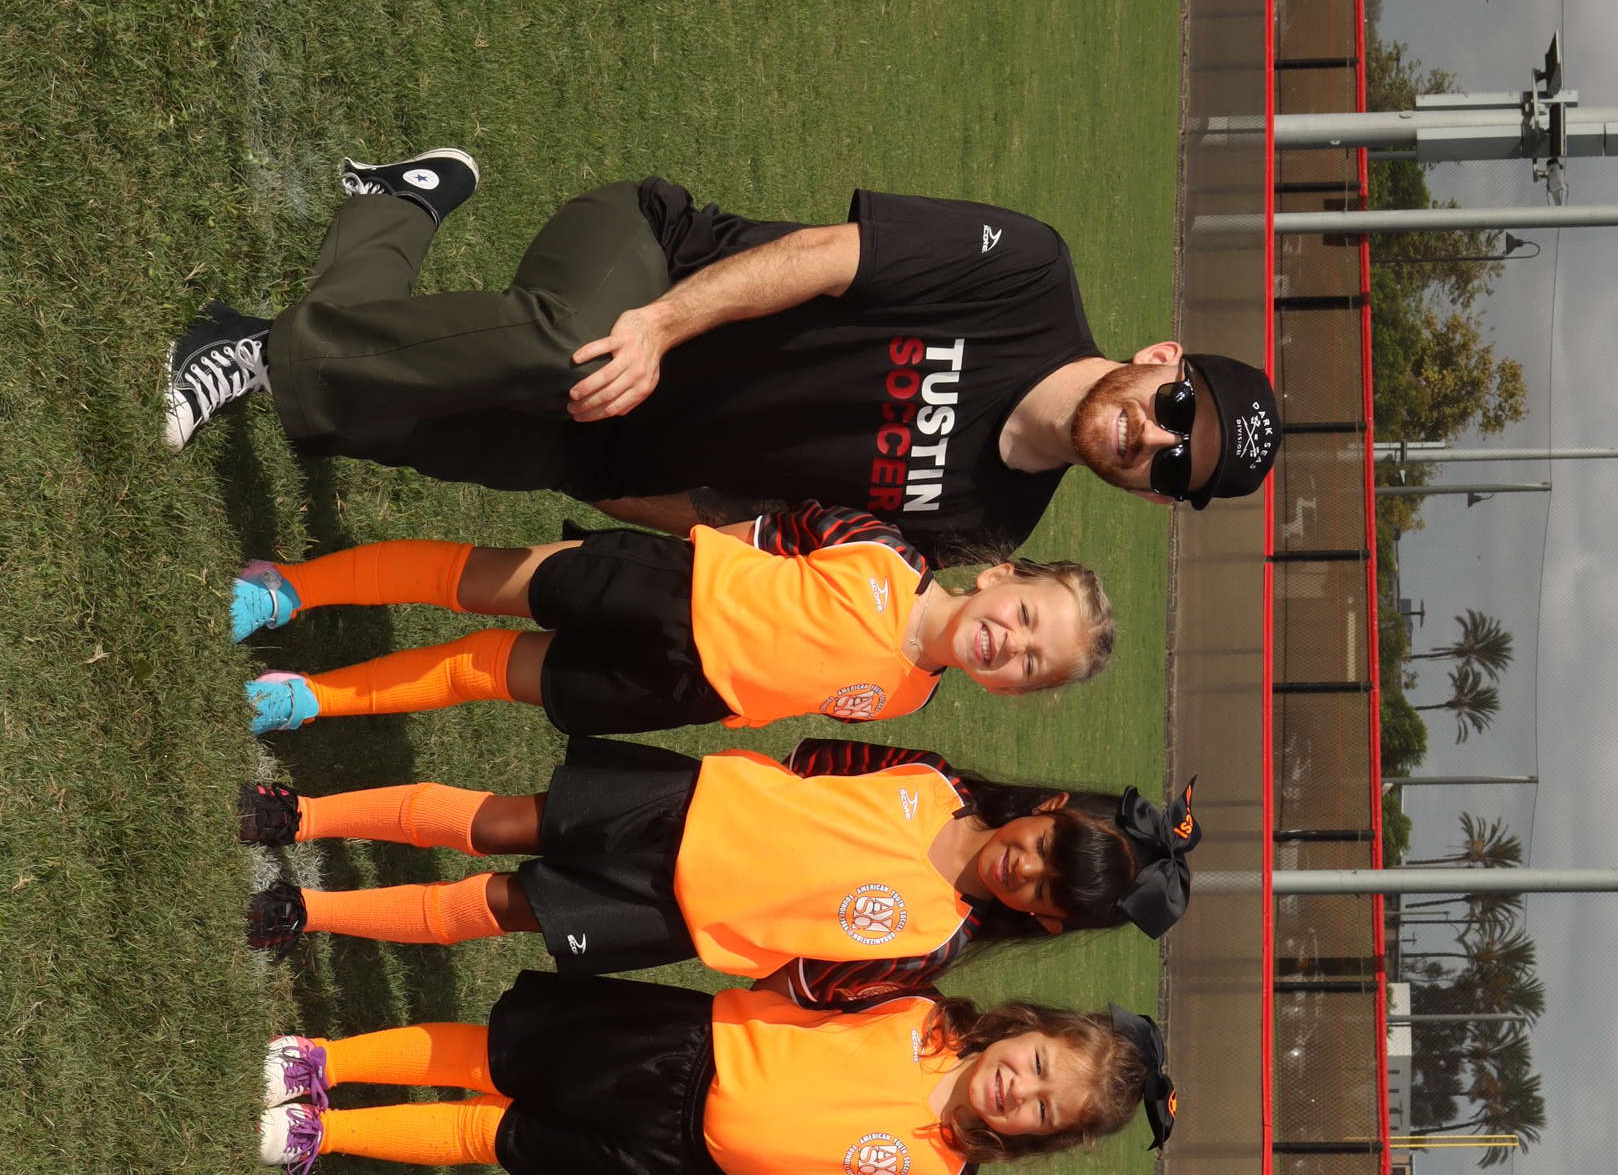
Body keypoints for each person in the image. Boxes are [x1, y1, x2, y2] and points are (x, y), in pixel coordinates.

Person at [161, 156, 1285, 557]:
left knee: (360, 414)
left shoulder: (987, 526)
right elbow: (820, 259)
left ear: (1153, 495)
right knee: (564, 350)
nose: (1153, 435)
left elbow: (773, 535)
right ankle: (245, 346)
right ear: (1161, 355)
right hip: (656, 264)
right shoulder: (1028, 274)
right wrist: (656, 325)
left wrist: (620, 494)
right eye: (1177, 405)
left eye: (1172, 463)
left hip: (614, 447)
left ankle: (402, 203)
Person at [239, 736, 1202, 986]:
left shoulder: (932, 942)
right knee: (498, 824)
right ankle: (304, 814)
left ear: (1042, 919)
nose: (1025, 869)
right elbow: (817, 762)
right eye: (1044, 850)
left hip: (672, 915)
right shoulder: (930, 779)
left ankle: (306, 914)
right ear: (1044, 813)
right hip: (680, 802)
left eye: (1043, 890)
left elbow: (811, 981)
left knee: (499, 905)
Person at [229, 512, 1113, 741]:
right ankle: (287, 591)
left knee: (483, 672)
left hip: (673, 692)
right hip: (665, 588)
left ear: (1011, 690)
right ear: (1000, 576)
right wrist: (651, 552)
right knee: (476, 582)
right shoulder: (883, 550)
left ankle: (307, 700)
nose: (1012, 643)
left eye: (1031, 663)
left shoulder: (907, 702)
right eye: (1026, 617)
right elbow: (767, 531)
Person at [251, 988, 1176, 1175]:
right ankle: (323, 1060)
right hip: (685, 1045)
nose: (1021, 1089)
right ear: (1026, 1027)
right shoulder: (920, 1010)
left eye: (1043, 1109)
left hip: (680, 1152)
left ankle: (325, 1135)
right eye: (1038, 1063)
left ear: (1040, 1139)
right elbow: (805, 969)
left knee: (503, 1136)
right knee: (500, 1057)